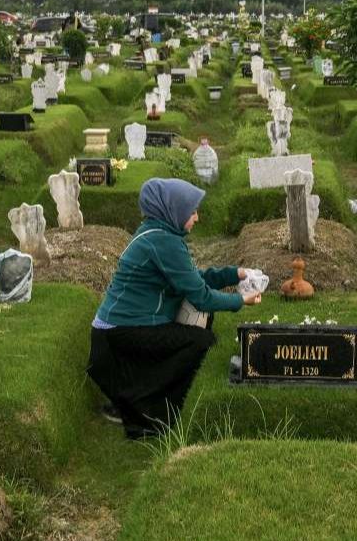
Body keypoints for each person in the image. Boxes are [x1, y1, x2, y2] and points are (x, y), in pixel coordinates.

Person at [87, 178, 260, 439]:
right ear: (173, 210)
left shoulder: (157, 232)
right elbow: (201, 296)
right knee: (201, 341)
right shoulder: (162, 241)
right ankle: (146, 414)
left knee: (197, 328)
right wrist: (240, 300)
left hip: (118, 331)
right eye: (191, 211)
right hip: (118, 334)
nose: (197, 217)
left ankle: (131, 403)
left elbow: (189, 278)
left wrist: (234, 274)